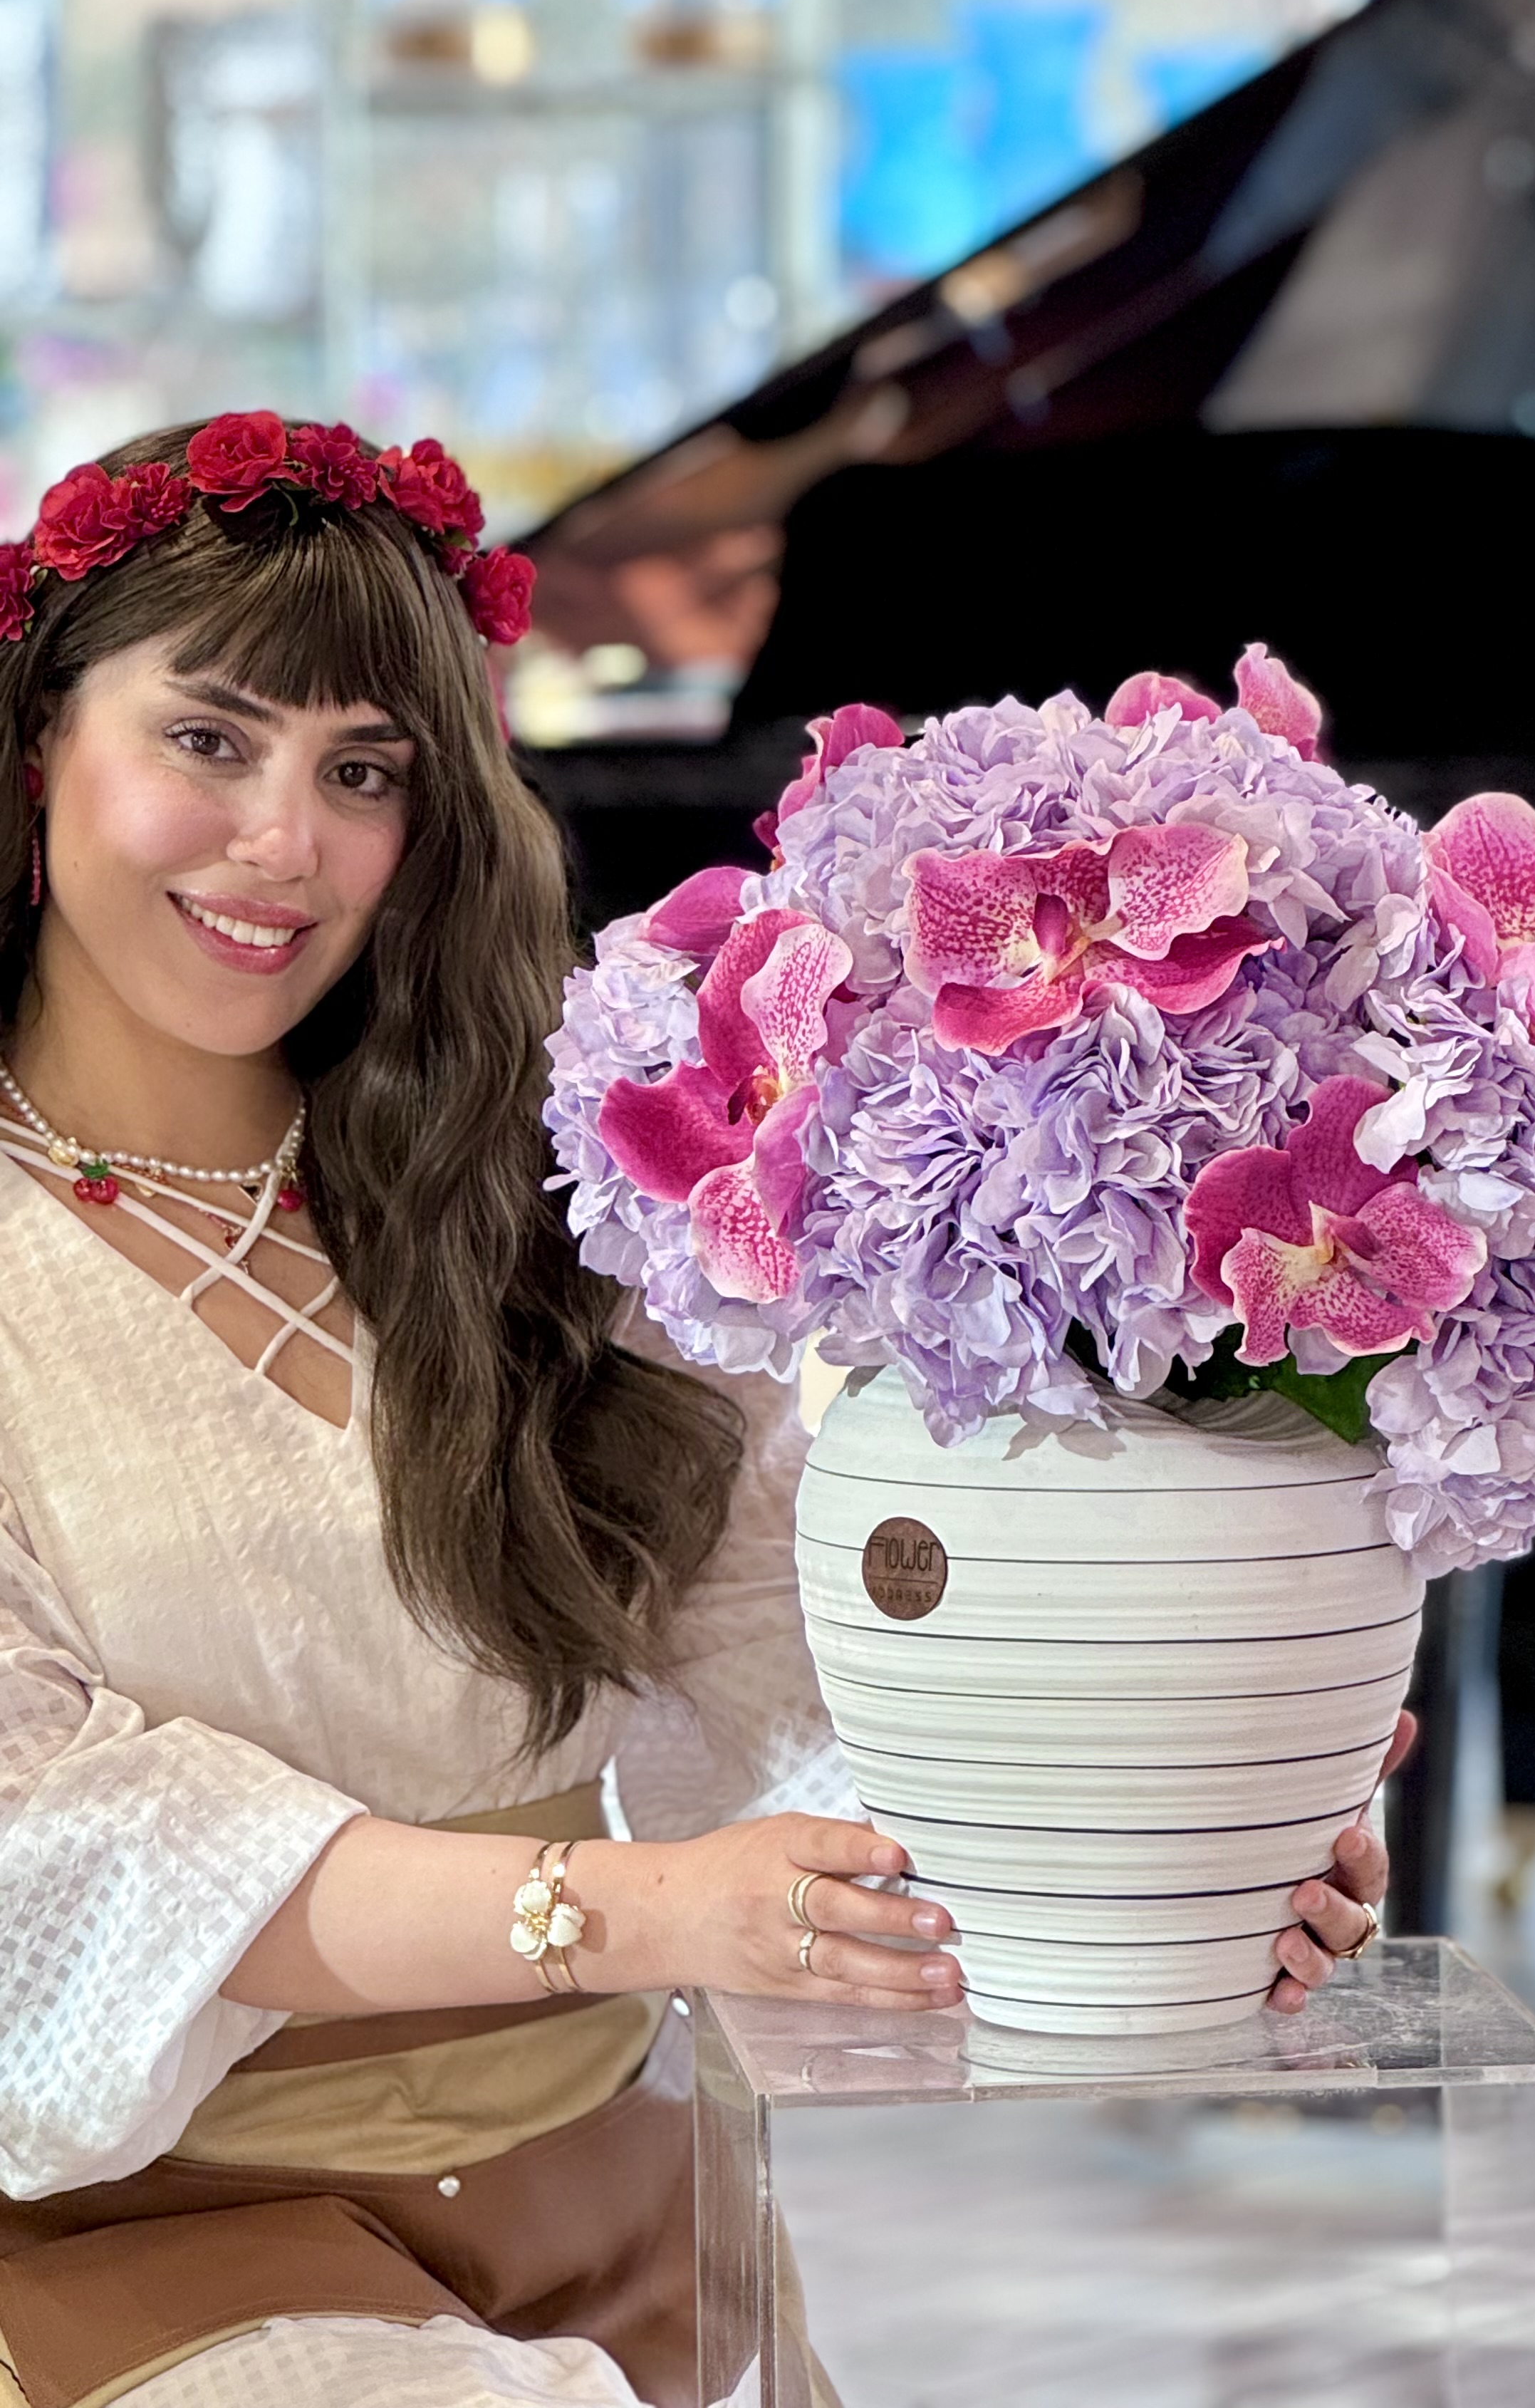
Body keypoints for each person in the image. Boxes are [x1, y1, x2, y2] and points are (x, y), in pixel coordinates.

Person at [0, 417, 1400, 2408]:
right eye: (209, 741)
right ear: (41, 735)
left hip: (626, 2208)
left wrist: (1162, 1816)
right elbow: (41, 1841)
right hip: (153, 2252)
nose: (285, 842)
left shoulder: (532, 1203)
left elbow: (795, 1642)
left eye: (365, 770)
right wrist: (633, 1910)